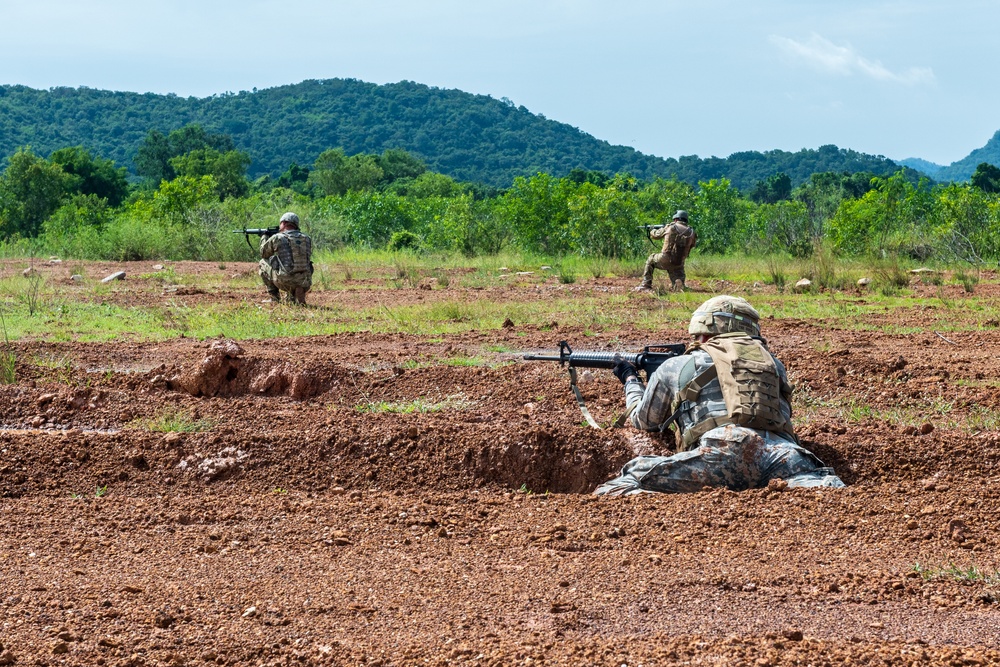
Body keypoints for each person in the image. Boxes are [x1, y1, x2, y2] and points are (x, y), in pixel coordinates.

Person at [595, 295, 844, 495]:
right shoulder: (774, 365)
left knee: (626, 482)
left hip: (723, 454)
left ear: (704, 332)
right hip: (786, 455)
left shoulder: (676, 365)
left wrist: (630, 379)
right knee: (829, 492)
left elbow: (644, 420)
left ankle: (665, 506)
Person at [259, 212, 313, 305]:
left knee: (263, 262)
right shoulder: (306, 238)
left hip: (285, 282)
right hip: (305, 281)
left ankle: (274, 298)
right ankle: (293, 295)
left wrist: (264, 237)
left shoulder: (277, 238)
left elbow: (263, 253)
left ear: (283, 223)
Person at [635, 210, 697, 292]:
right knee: (677, 272)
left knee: (651, 259)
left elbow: (656, 235)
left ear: (675, 219)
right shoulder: (691, 232)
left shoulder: (671, 227)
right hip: (679, 262)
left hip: (665, 258)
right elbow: (692, 246)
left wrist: (652, 230)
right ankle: (679, 285)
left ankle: (646, 284)